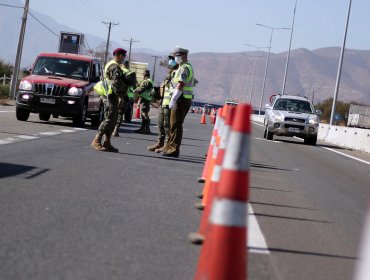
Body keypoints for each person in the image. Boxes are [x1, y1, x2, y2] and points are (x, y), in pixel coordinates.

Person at [91, 48, 127, 152]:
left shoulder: (111, 64)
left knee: (113, 119)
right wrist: (121, 97)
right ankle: (97, 140)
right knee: (109, 118)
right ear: (120, 55)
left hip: (111, 95)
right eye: (123, 56)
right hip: (111, 95)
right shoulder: (114, 66)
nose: (124, 58)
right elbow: (116, 83)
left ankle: (107, 142)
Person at [162, 46, 194, 158]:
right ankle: (170, 147)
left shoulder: (184, 67)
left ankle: (174, 149)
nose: (176, 58)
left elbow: (180, 85)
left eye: (178, 55)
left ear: (185, 56)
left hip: (181, 99)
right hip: (179, 98)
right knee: (173, 124)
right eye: (175, 55)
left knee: (176, 124)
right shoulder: (181, 67)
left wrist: (173, 99)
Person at [147, 53, 178, 152]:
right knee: (160, 123)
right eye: (170, 59)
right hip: (164, 102)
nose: (170, 61)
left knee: (167, 125)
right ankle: (160, 143)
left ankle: (167, 145)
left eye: (172, 59)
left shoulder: (177, 72)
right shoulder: (170, 71)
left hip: (170, 103)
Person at [133, 70, 154, 134]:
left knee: (144, 114)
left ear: (144, 75)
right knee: (143, 114)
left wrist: (135, 90)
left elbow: (141, 89)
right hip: (146, 99)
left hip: (145, 100)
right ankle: (142, 128)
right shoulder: (150, 81)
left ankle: (147, 129)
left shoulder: (146, 81)